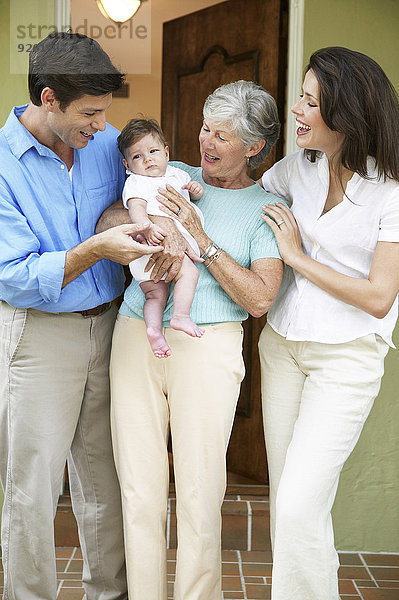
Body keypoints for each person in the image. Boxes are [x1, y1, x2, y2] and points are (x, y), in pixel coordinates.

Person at [97, 80, 284, 599]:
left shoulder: (264, 208)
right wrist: (145, 228)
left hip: (208, 345)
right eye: (205, 128)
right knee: (138, 490)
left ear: (253, 147)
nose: (206, 142)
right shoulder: (168, 174)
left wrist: (199, 240)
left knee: (200, 492)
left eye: (221, 135)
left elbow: (261, 297)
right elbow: (113, 214)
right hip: (137, 333)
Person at [0, 32, 163, 600]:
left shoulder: (105, 139)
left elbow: (144, 186)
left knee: (105, 481)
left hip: (112, 326)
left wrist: (119, 214)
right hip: (40, 335)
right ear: (49, 99)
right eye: (89, 114)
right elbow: (13, 273)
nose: (100, 126)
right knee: (33, 488)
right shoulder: (2, 165)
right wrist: (97, 249)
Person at [258, 46, 399, 600]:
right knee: (293, 506)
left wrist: (295, 258)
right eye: (301, 95)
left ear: (346, 114)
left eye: (310, 101)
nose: (296, 109)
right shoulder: (298, 167)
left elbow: (380, 296)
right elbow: (246, 198)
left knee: (298, 504)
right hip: (284, 345)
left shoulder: (390, 192)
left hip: (346, 358)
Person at [118, 118, 206, 358]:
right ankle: (180, 315)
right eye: (137, 156)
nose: (147, 159)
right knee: (189, 274)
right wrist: (146, 228)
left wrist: (195, 191)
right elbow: (136, 209)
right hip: (152, 245)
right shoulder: (136, 182)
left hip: (159, 250)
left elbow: (188, 197)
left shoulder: (177, 175)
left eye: (153, 151)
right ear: (127, 163)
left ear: (166, 153)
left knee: (155, 294)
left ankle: (154, 330)